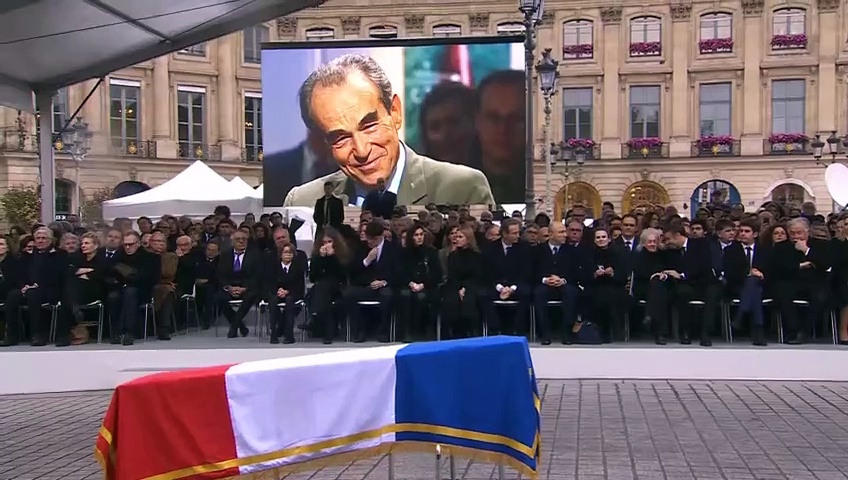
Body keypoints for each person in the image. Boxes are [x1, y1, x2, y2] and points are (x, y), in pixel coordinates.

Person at [283, 54, 495, 208]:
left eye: (369, 126)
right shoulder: (304, 203)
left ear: (395, 112)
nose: (362, 150)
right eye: (341, 138)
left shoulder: (463, 189)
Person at [344, 220, 397, 342]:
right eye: (368, 238)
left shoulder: (392, 248)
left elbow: (397, 272)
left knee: (387, 295)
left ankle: (383, 331)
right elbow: (352, 271)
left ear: (380, 237)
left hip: (384, 285)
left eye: (372, 239)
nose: (369, 242)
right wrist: (367, 260)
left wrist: (383, 282)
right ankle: (360, 331)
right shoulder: (361, 247)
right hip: (365, 285)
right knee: (349, 294)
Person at [398, 225, 441, 341]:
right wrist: (411, 284)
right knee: (405, 296)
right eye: (416, 235)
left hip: (427, 285)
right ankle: (407, 331)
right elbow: (400, 272)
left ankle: (424, 329)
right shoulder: (404, 253)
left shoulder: (431, 252)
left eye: (421, 235)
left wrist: (423, 285)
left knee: (422, 297)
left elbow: (437, 274)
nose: (419, 237)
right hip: (408, 285)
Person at [309, 227, 350, 344]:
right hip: (321, 288)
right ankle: (329, 332)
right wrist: (320, 259)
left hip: (338, 286)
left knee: (322, 289)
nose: (326, 245)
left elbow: (342, 275)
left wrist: (332, 257)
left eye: (329, 242)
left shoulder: (342, 254)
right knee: (322, 290)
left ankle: (314, 317)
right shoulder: (317, 256)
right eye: (324, 242)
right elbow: (313, 277)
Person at [264, 243, 306, 344]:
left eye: (290, 252)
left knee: (289, 300)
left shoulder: (298, 267)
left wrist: (287, 291)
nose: (288, 255)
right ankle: (274, 333)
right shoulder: (274, 266)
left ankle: (289, 335)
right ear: (280, 254)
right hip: (277, 292)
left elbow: (299, 285)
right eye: (286, 252)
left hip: (293, 293)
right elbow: (270, 282)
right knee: (273, 300)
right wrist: (278, 291)